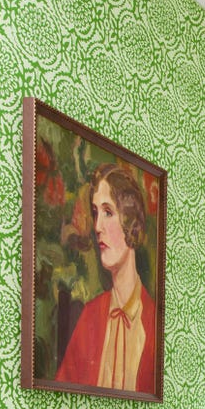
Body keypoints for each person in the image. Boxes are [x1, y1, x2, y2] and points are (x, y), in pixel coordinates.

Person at [56, 164, 157, 394]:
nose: (97, 226)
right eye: (95, 213)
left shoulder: (153, 324)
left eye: (108, 212)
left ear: (131, 223)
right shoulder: (89, 316)